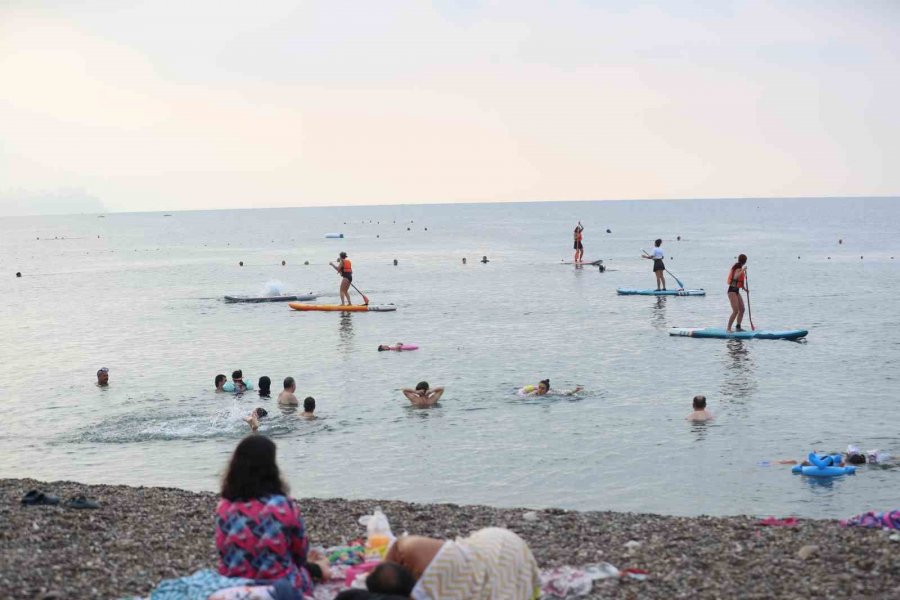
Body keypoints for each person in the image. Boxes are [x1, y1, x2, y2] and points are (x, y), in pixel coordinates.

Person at [216, 436, 330, 595]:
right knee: (317, 569)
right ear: (270, 468)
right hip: (279, 587)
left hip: (234, 587)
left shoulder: (224, 506)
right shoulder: (282, 505)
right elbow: (300, 554)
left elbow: (224, 552)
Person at [366, 527, 541, 599]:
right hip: (502, 545)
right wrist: (386, 562)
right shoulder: (419, 555)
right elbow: (399, 545)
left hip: (504, 562)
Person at [727, 254, 748, 332]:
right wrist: (743, 270)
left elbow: (738, 281)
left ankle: (738, 327)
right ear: (745, 261)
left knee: (742, 309)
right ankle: (728, 328)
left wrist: (744, 289)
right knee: (735, 311)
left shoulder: (739, 267)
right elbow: (735, 277)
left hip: (736, 291)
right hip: (732, 291)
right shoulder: (738, 268)